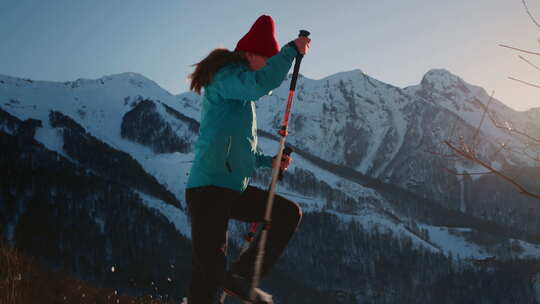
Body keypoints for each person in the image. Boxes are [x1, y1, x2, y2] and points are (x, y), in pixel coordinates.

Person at [185, 14, 311, 304]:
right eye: (265, 59)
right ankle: (233, 279)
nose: (266, 66)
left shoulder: (241, 99)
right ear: (251, 54)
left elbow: (242, 151)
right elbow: (259, 84)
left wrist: (269, 162)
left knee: (287, 213)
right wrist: (290, 51)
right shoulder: (225, 78)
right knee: (209, 276)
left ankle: (241, 275)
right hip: (208, 190)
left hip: (231, 190)